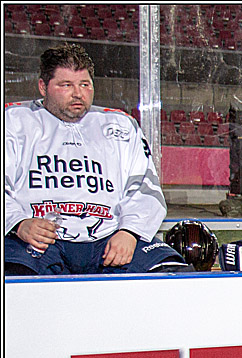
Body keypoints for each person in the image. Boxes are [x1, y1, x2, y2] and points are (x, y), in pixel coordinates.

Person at [4, 42, 189, 275]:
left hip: (108, 237)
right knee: (15, 278)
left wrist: (130, 232)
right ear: (43, 86)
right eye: (66, 85)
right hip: (40, 238)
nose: (78, 93)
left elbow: (145, 187)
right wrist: (18, 223)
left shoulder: (120, 125)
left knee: (172, 272)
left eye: (85, 84)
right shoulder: (13, 121)